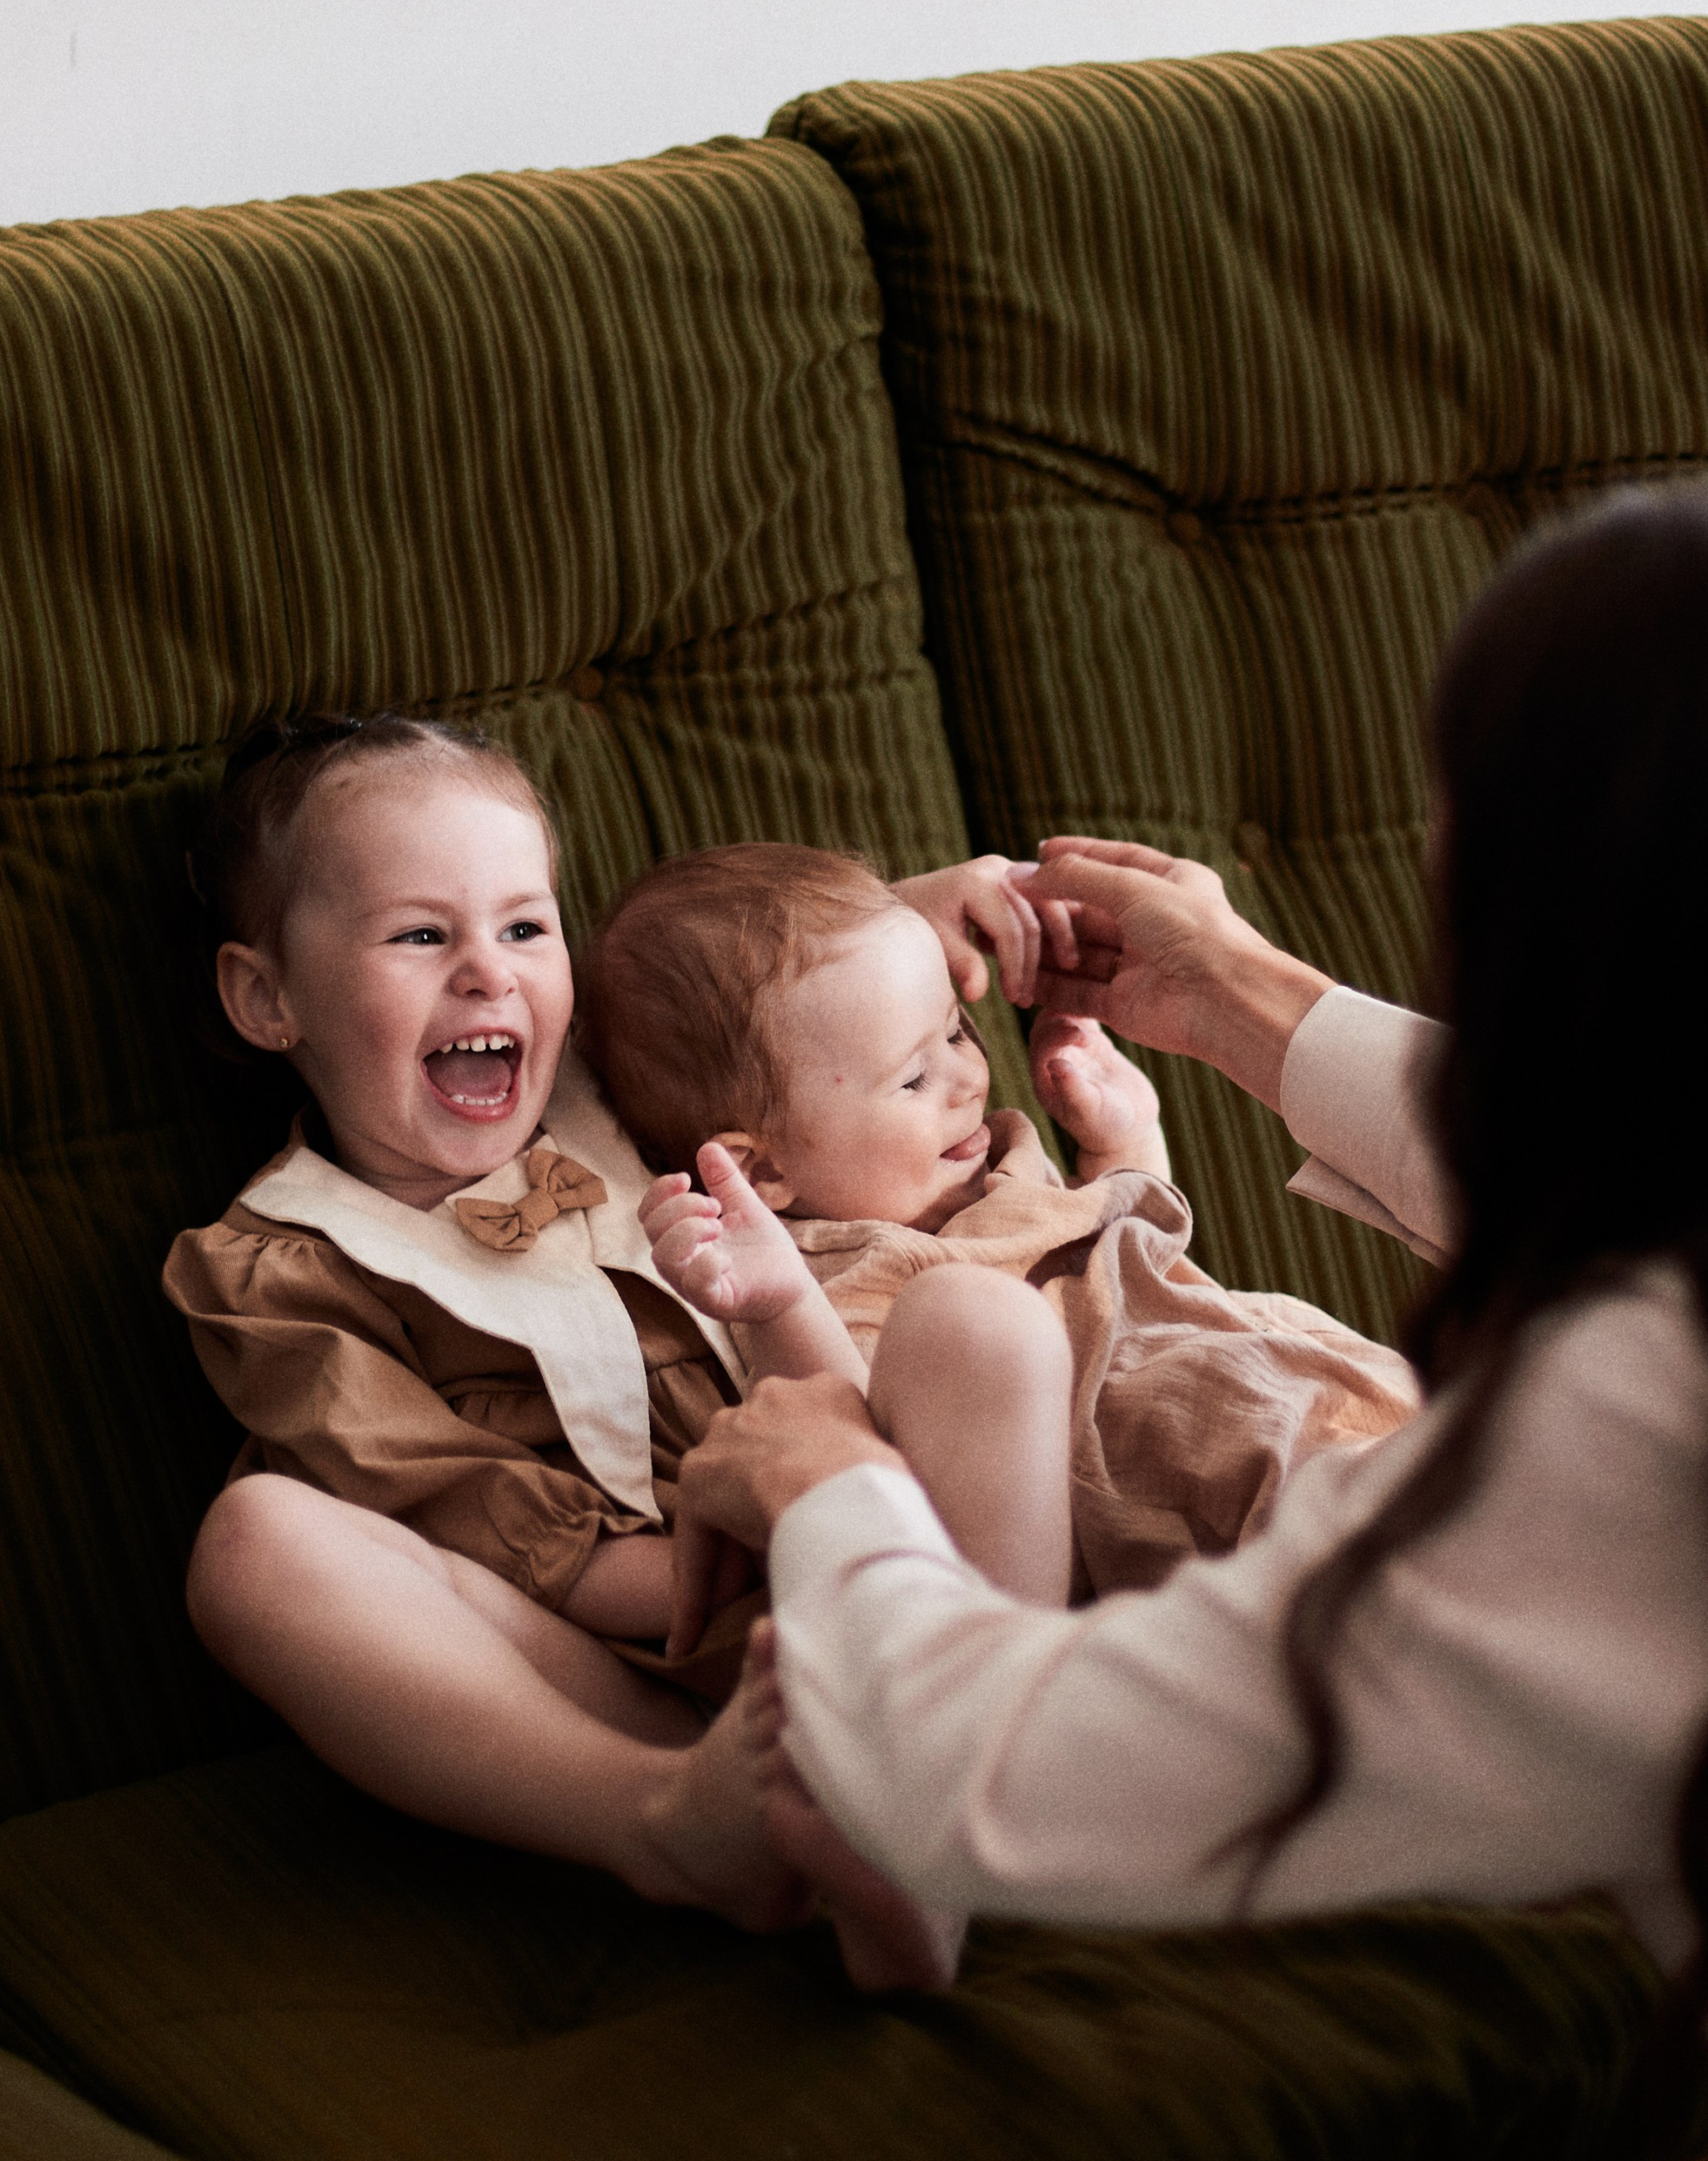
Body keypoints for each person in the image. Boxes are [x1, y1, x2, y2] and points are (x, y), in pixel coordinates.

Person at [674, 480, 1708, 2161]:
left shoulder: (1660, 1446)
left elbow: (992, 1775)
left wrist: (830, 1479)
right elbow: (1680, 1178)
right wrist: (1241, 999)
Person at [164, 708, 1047, 1984]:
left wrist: (926, 909)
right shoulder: (274, 1267)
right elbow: (435, 1497)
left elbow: (744, 985)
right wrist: (721, 1581)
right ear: (267, 997)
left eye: (526, 927)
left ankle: (978, 1782)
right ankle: (681, 1831)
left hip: (867, 1552)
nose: (491, 975)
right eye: (422, 936)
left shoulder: (604, 1087)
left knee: (985, 1324)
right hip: (629, 1667)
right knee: (253, 1545)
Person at [573, 842, 1414, 1615]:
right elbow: (854, 1447)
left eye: (956, 1031)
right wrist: (780, 1303)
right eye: (912, 1078)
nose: (967, 1077)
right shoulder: (857, 1274)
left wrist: (1127, 1139)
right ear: (763, 1173)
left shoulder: (989, 1165)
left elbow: (1134, 1262)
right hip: (1244, 1505)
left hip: (1344, 1396)